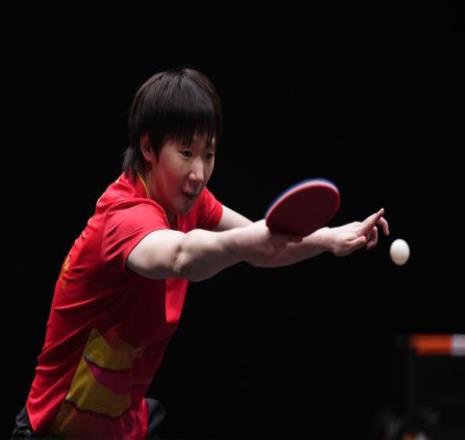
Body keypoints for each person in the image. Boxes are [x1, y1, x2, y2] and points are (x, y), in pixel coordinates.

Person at [12, 67, 389, 439]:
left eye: (208, 155)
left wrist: (329, 239)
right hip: (53, 430)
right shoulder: (123, 217)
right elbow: (179, 256)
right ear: (148, 147)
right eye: (186, 153)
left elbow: (267, 247)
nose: (199, 173)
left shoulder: (192, 203)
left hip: (123, 430)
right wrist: (248, 241)